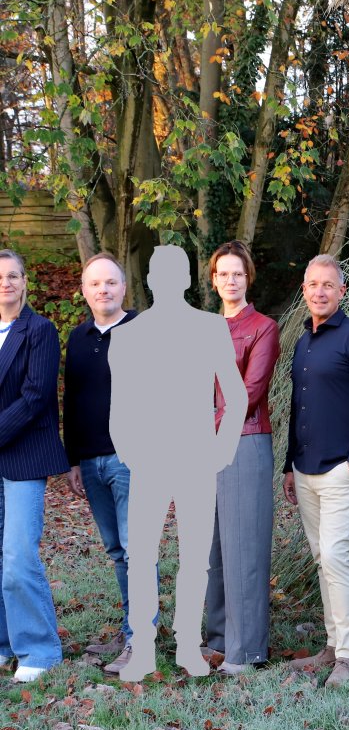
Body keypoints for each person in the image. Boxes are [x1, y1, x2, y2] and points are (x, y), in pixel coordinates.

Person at [109, 245, 247, 682]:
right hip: (149, 460)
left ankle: (188, 644)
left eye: (176, 274)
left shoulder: (210, 328)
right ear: (151, 280)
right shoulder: (128, 336)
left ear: (187, 280)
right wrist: (131, 453)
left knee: (195, 559)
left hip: (196, 459)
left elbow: (236, 396)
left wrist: (221, 451)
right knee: (141, 557)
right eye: (160, 274)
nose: (168, 281)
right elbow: (119, 408)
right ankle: (144, 649)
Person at [283, 255, 349, 687]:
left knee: (336, 556)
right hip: (304, 468)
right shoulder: (303, 341)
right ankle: (330, 645)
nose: (319, 292)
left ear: (342, 291)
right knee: (322, 558)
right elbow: (297, 407)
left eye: (328, 285)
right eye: (313, 284)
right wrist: (288, 465)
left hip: (343, 469)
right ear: (304, 290)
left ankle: (347, 657)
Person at [203, 241, 281, 675]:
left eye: (238, 273)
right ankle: (218, 639)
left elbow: (248, 393)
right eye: (223, 274)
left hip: (244, 441)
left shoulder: (263, 328)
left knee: (243, 546)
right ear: (213, 280)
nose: (230, 280)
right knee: (211, 549)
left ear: (248, 277)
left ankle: (246, 649)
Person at [63, 252, 138, 675]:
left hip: (133, 460)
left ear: (123, 287)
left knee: (136, 549)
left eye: (110, 282)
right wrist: (73, 459)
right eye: (95, 283)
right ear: (84, 291)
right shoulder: (78, 338)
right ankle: (131, 629)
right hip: (91, 462)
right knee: (117, 551)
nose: (103, 289)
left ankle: (139, 640)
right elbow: (72, 401)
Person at [0, 248, 69, 683]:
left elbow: (35, 396)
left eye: (13, 275)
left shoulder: (39, 330)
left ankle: (40, 649)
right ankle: (3, 645)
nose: (5, 283)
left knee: (18, 555)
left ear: (25, 282)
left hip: (24, 455)